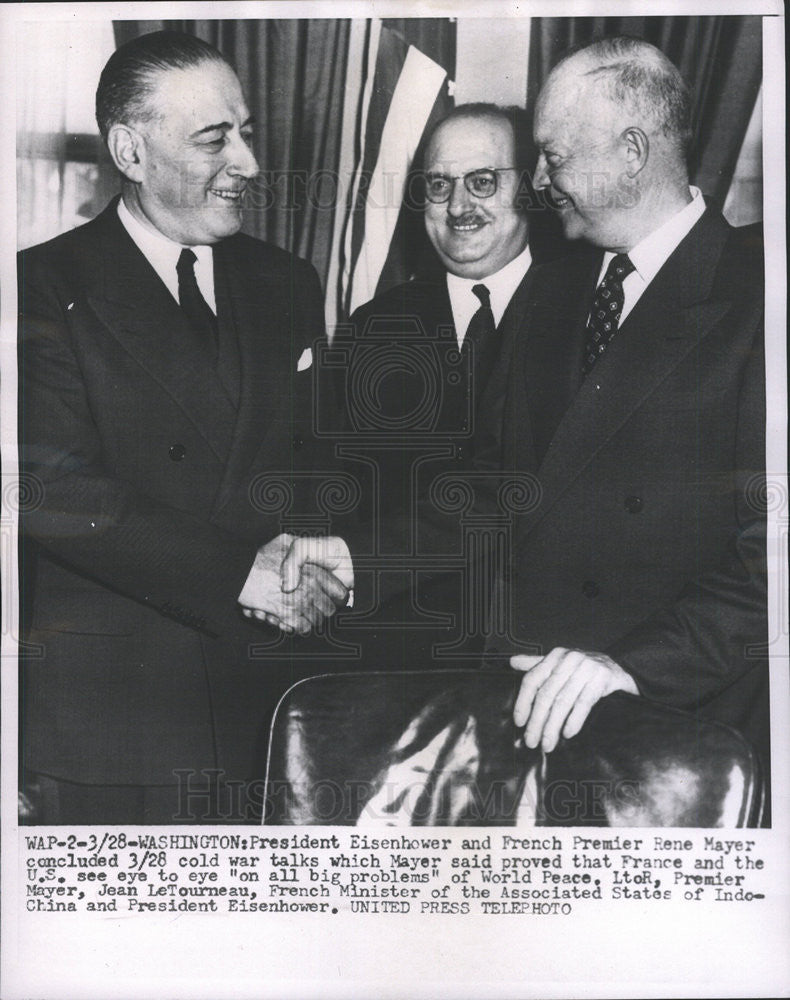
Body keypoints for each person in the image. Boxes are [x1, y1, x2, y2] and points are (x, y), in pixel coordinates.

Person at [283, 36, 769, 813]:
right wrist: (353, 553)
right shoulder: (554, 291)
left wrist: (631, 666)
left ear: (632, 151)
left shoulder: (759, 294)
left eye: (552, 157)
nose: (539, 183)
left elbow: (771, 559)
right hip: (521, 716)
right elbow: (496, 488)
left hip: (677, 736)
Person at [18, 30, 350, 825]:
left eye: (246, 133)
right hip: (122, 718)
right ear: (130, 150)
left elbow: (320, 461)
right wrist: (246, 573)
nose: (249, 164)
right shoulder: (37, 288)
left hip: (277, 697)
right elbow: (51, 488)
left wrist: (320, 560)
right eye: (214, 139)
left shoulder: (288, 283)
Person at [324, 105, 537, 666]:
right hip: (400, 658)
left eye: (483, 182)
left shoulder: (586, 313)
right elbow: (340, 494)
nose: (459, 207)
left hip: (551, 659)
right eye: (439, 185)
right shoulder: (373, 329)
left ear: (531, 187)